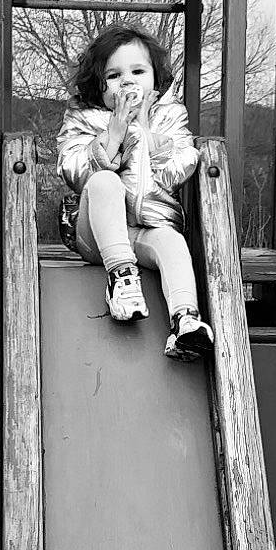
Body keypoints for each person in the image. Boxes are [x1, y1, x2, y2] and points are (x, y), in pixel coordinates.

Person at [56, 27, 215, 360]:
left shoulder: (170, 116)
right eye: (113, 76)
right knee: (105, 182)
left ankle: (186, 320)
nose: (127, 83)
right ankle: (122, 279)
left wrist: (144, 134)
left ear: (156, 80)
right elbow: (72, 170)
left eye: (138, 72)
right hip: (97, 236)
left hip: (144, 227)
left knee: (173, 242)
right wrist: (113, 135)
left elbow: (181, 167)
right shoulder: (84, 118)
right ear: (98, 87)